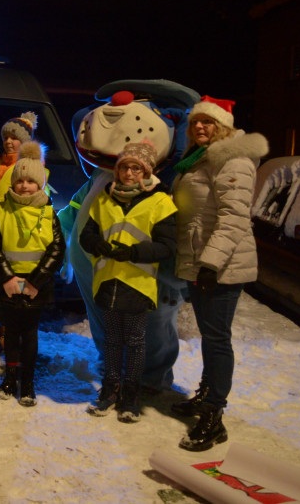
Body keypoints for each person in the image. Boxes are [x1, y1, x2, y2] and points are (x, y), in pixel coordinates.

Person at [170, 96, 268, 451]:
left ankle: (214, 416)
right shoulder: (198, 159)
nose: (199, 127)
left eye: (207, 122)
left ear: (223, 127)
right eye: (195, 121)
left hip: (222, 266)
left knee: (216, 339)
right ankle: (205, 396)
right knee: (211, 336)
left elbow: (233, 218)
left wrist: (210, 263)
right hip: (202, 262)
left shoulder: (232, 160)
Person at [80, 140, 177, 422]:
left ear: (146, 172)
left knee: (135, 341)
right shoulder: (104, 198)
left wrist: (134, 252)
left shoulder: (160, 202)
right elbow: (87, 234)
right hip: (108, 280)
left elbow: (167, 246)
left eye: (136, 168)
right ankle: (110, 390)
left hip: (137, 283)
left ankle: (131, 395)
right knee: (112, 340)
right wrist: (96, 244)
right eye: (125, 167)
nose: (129, 173)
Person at [0, 141, 65, 407]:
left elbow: (56, 250)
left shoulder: (48, 212)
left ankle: (27, 382)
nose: (25, 185)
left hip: (35, 287)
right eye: (20, 180)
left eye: (31, 181)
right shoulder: (2, 211)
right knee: (11, 333)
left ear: (40, 184)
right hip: (7, 285)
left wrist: (35, 281)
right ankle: (10, 377)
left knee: (29, 334)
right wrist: (6, 278)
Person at [0, 112, 38, 206]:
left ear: (24, 142)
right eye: (6, 138)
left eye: (14, 138)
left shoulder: (27, 166)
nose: (8, 141)